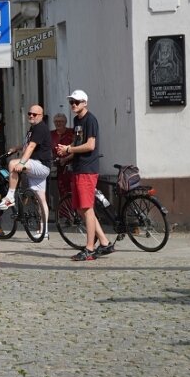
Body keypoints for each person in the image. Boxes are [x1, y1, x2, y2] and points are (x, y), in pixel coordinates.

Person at [56, 90, 114, 261]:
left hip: (88, 169)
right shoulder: (77, 120)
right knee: (81, 208)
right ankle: (104, 242)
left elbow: (90, 145)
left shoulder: (90, 120)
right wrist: (67, 154)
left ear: (85, 103)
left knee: (87, 209)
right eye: (71, 102)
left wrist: (69, 149)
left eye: (77, 102)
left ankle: (89, 248)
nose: (74, 105)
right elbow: (78, 142)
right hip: (78, 167)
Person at [0, 105, 53, 238]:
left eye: (34, 114)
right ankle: (44, 231)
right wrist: (16, 148)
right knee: (41, 199)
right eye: (29, 114)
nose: (31, 116)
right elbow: (28, 144)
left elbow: (32, 146)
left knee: (12, 164)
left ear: (41, 115)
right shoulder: (33, 129)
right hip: (38, 166)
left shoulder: (40, 128)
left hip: (40, 165)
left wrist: (21, 162)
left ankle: (10, 196)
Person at [51, 113, 74, 198]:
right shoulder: (51, 134)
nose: (58, 123)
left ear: (65, 122)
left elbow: (77, 148)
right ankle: (64, 210)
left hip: (72, 167)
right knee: (62, 192)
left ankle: (73, 210)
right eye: (56, 121)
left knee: (72, 191)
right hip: (58, 168)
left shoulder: (72, 132)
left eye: (61, 121)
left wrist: (66, 159)